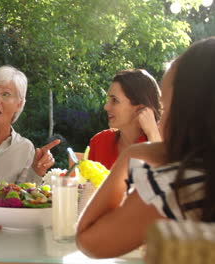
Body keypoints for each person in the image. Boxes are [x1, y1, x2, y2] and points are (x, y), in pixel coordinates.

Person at [76, 37, 215, 258]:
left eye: (164, 106)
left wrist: (130, 156)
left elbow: (88, 240)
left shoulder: (178, 186)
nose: (160, 119)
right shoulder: (100, 140)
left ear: (188, 114)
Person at [87, 69, 162, 169]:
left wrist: (153, 134)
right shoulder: (99, 142)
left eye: (114, 100)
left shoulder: (164, 143)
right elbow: (84, 183)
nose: (106, 107)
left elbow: (165, 180)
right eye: (108, 99)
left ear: (140, 108)